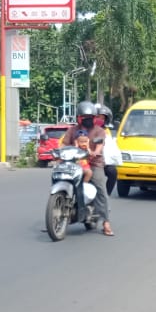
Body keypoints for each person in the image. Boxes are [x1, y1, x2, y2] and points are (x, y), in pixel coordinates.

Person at [61, 101, 114, 236]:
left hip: (94, 163)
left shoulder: (99, 131)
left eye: (90, 117)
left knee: (101, 188)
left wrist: (95, 151)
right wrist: (58, 154)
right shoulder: (72, 130)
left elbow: (100, 144)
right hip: (75, 163)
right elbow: (64, 145)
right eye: (84, 117)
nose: (88, 120)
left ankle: (106, 222)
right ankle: (56, 215)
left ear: (94, 118)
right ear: (79, 118)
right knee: (61, 180)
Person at [96, 104, 122, 195]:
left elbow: (108, 147)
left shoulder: (106, 131)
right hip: (83, 160)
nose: (99, 120)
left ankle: (105, 196)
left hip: (99, 160)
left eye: (102, 118)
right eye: (97, 117)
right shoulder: (83, 128)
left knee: (112, 172)